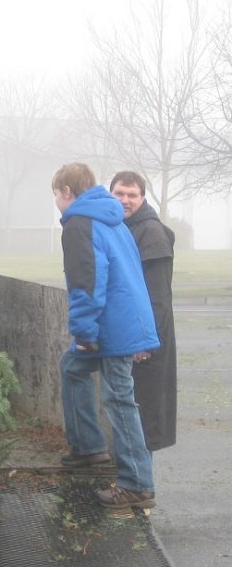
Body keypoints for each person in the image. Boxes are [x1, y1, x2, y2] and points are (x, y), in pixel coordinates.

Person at [53, 163, 160, 508]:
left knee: (119, 398)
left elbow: (86, 283)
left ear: (67, 192)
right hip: (125, 318)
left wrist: (84, 332)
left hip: (114, 326)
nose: (56, 201)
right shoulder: (111, 218)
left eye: (55, 194)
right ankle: (89, 447)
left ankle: (137, 484)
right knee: (72, 367)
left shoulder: (79, 224)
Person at [109, 171, 176, 451]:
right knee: (129, 415)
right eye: (120, 193)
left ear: (143, 198)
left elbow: (158, 297)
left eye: (132, 195)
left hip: (148, 340)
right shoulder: (120, 226)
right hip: (130, 335)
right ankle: (130, 481)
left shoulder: (151, 232)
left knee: (143, 420)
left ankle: (138, 486)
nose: (125, 200)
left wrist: (146, 342)